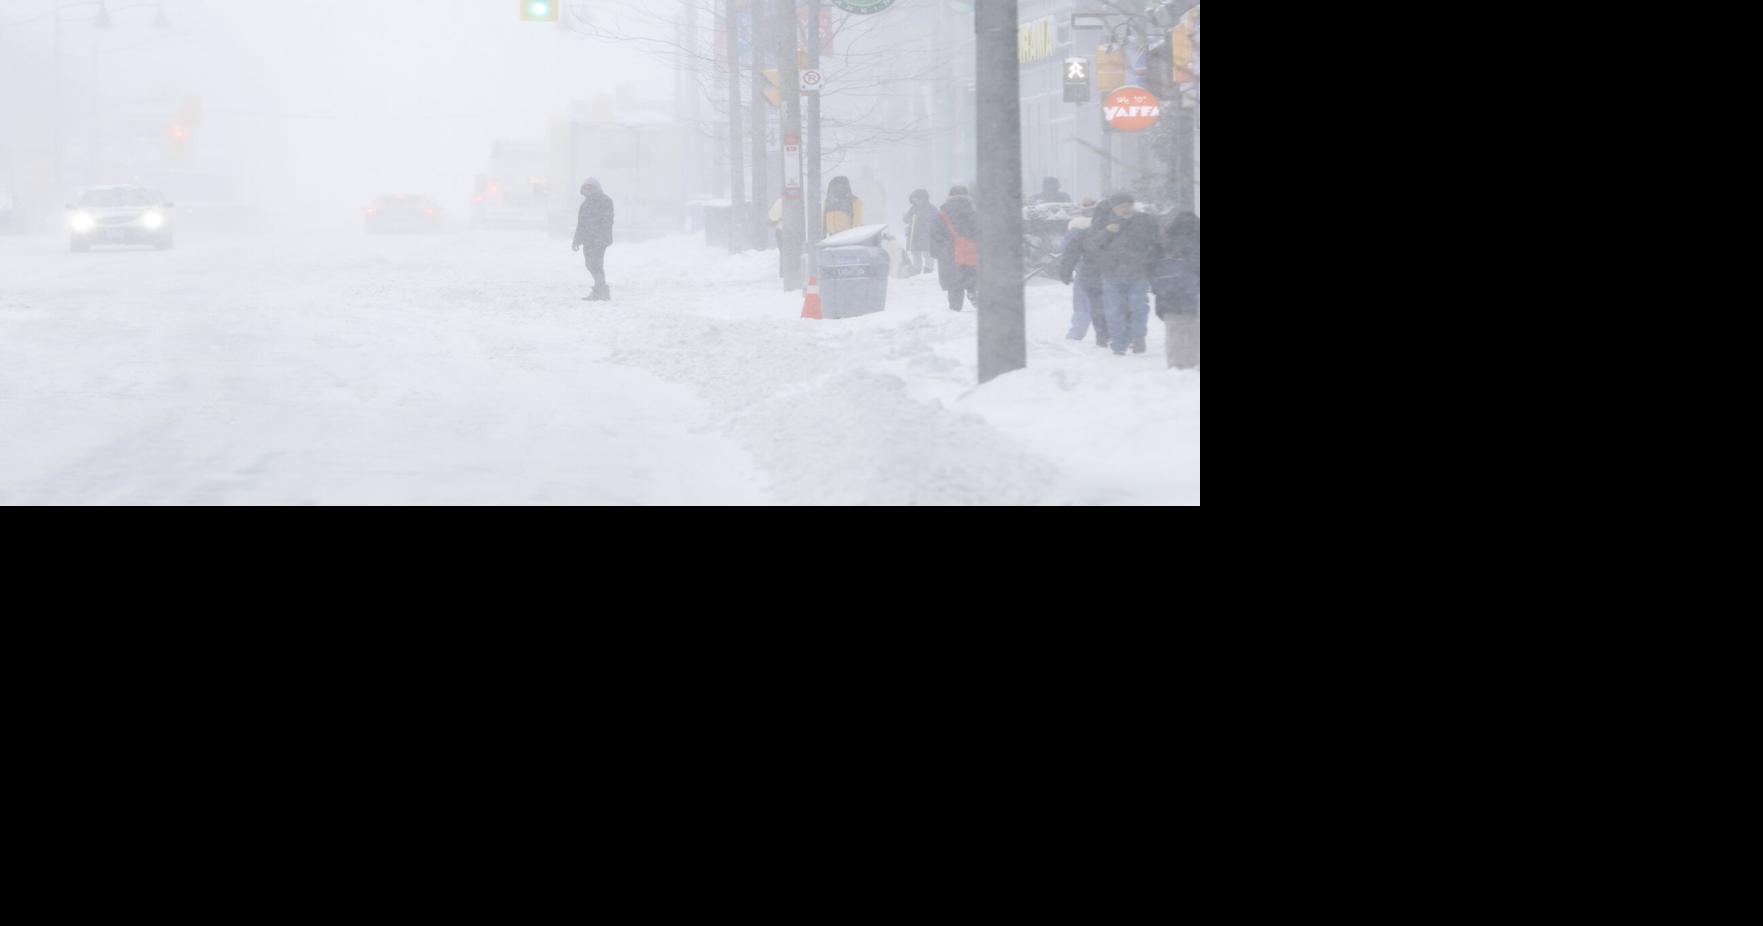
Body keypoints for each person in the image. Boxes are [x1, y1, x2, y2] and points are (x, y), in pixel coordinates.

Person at [1084, 192, 1159, 355]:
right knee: (1114, 310)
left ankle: (1138, 338)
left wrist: (1148, 260)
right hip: (1111, 275)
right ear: (1113, 208)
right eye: (1121, 207)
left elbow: (1155, 242)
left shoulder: (1144, 220)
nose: (1126, 209)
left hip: (1138, 273)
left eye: (1129, 205)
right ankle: (1119, 343)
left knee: (1139, 307)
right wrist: (1107, 232)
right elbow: (1091, 246)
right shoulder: (1103, 221)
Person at [1154, 212, 1201, 369]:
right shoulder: (1196, 243)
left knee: (1174, 331)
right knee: (1193, 329)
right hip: (1191, 295)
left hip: (1168, 296)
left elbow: (1152, 267)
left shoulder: (1165, 243)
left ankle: (1176, 364)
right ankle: (1193, 361)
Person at [1058, 199, 1108, 344]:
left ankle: (1077, 331)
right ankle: (1108, 332)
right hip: (1106, 269)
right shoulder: (1108, 225)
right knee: (1106, 302)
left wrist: (1068, 267)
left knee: (1082, 302)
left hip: (1085, 269)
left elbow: (1067, 250)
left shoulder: (1076, 228)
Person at [928, 186, 979, 313]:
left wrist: (941, 252)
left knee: (954, 283)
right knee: (972, 276)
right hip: (971, 254)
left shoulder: (941, 215)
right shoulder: (973, 213)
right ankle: (973, 292)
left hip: (950, 256)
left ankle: (955, 308)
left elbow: (934, 236)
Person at [572, 179, 615, 301]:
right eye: (586, 188)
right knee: (589, 264)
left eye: (590, 187)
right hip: (588, 240)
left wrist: (602, 238)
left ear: (596, 188)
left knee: (596, 264)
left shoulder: (605, 201)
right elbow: (581, 224)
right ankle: (601, 290)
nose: (588, 190)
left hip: (599, 240)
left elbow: (607, 221)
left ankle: (601, 290)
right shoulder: (585, 204)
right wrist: (576, 240)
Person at [902, 189, 941, 276]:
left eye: (917, 199)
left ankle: (928, 269)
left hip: (927, 236)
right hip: (915, 235)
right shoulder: (913, 209)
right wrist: (907, 217)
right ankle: (917, 269)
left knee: (928, 253)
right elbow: (906, 219)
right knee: (916, 253)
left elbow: (938, 221)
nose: (916, 201)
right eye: (914, 200)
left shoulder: (932, 209)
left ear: (923, 199)